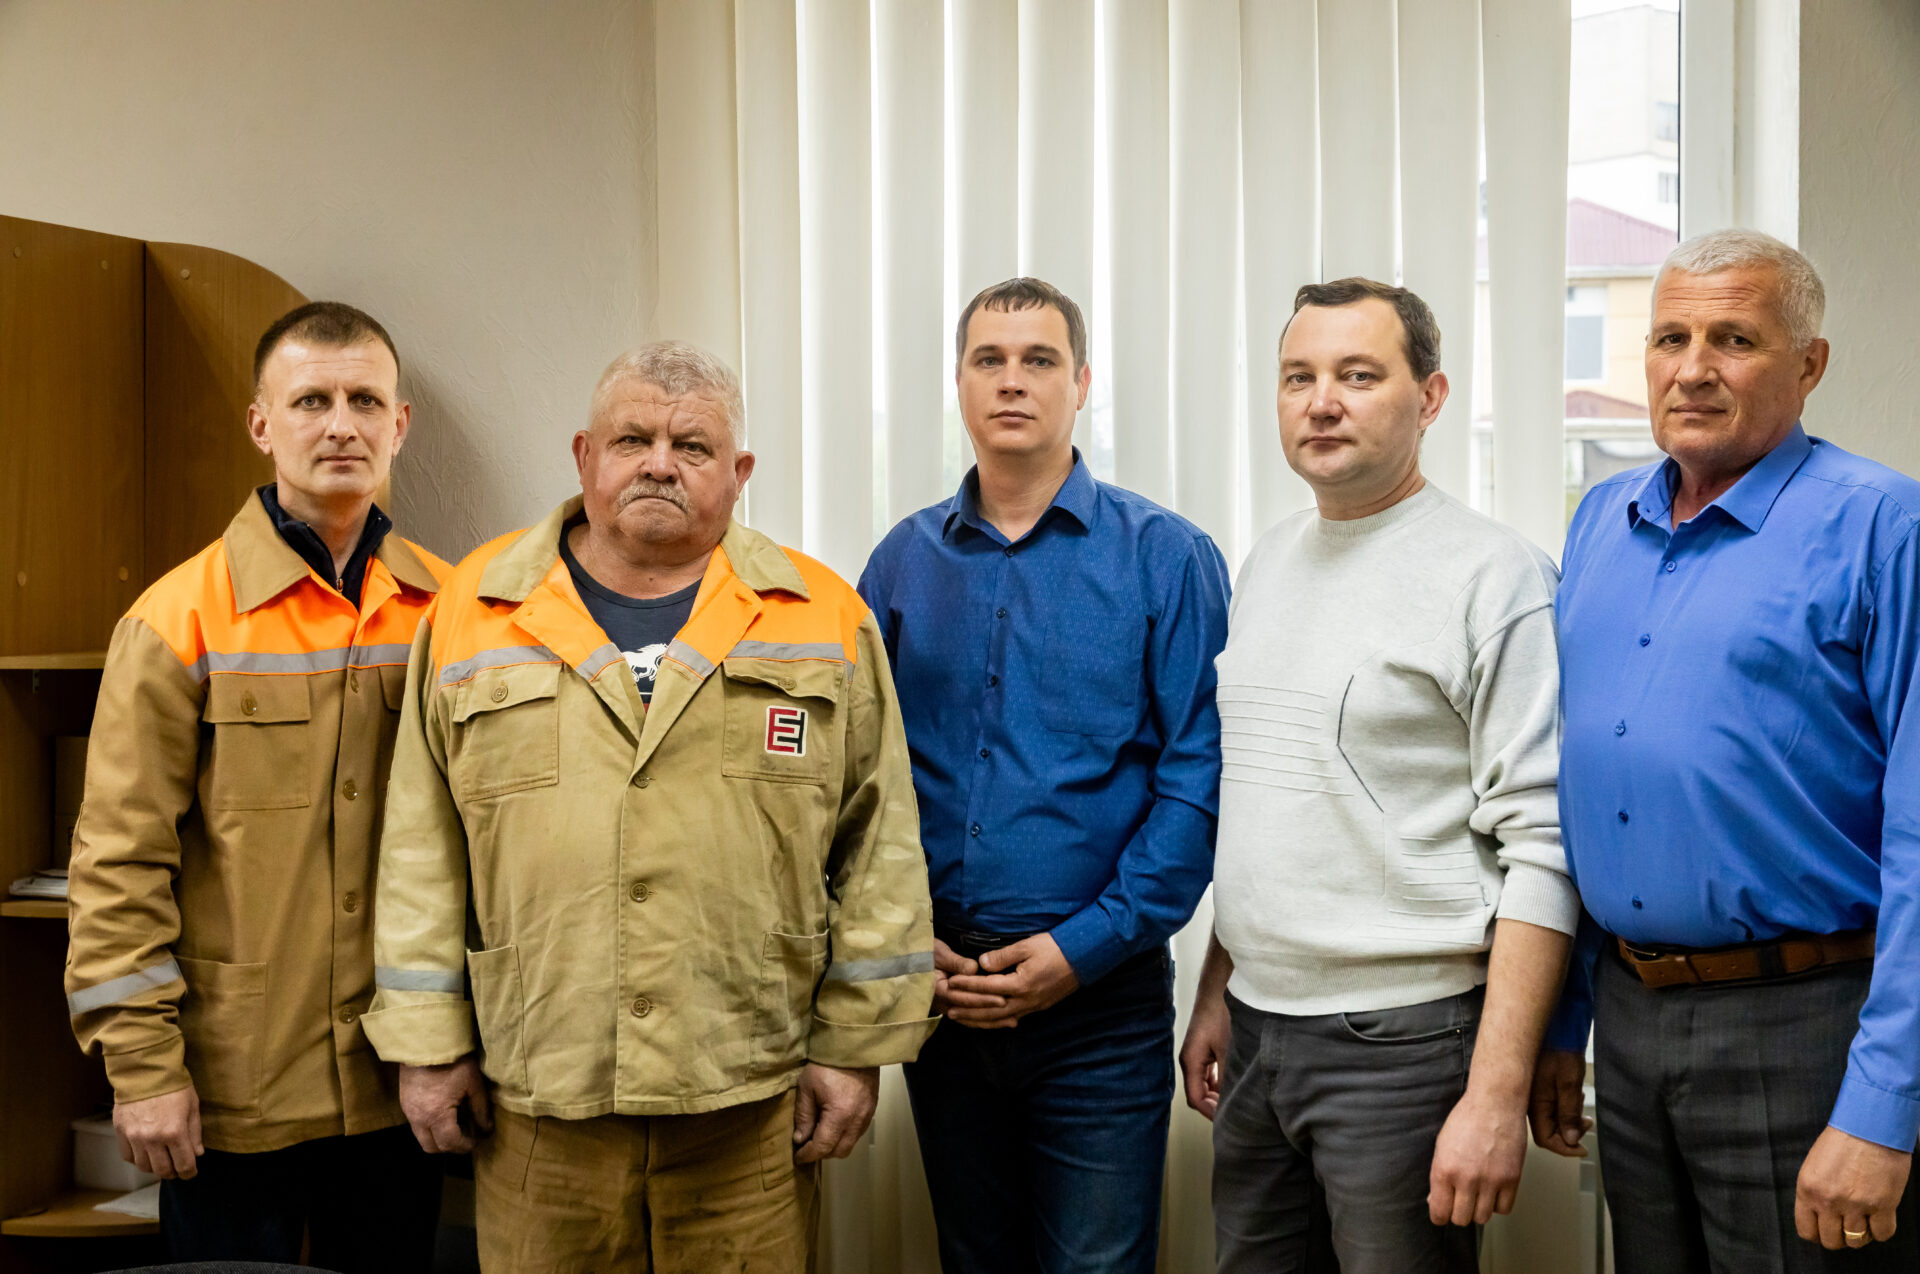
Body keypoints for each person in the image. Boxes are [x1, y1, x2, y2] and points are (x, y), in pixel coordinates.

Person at [362, 339, 936, 1272]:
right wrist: (426, 1046)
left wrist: (853, 1048)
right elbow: (420, 850)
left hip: (748, 1102)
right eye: (632, 439)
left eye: (692, 446)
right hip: (539, 1099)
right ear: (585, 456)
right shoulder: (472, 612)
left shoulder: (822, 617)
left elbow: (880, 850)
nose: (660, 464)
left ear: (739, 474)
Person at [1532, 229, 1920, 1270]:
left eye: (1735, 339)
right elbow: (1586, 792)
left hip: (1809, 1025)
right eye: (1671, 337)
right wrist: (1566, 1021)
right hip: (1630, 1017)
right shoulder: (1600, 522)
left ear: (1810, 364)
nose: (1693, 368)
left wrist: (1884, 1107)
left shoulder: (1886, 527)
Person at [1180, 278, 1578, 1273]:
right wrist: (1220, 984)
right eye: (1298, 377)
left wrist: (1495, 1092)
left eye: (1358, 376)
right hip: (1260, 1030)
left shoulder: (1495, 576)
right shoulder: (1270, 560)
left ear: (1430, 397)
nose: (1322, 402)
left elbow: (1545, 846)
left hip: (1404, 1046)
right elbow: (1272, 798)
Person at [858, 277, 1231, 1273]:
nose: (1012, 380)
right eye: (989, 359)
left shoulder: (1167, 559)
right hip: (943, 996)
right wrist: (908, 940)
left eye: (1039, 360)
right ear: (959, 382)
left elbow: (1197, 782)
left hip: (1098, 1007)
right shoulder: (899, 565)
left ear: (1082, 383)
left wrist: (1080, 949)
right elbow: (862, 780)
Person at [65, 301, 449, 1267]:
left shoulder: (454, 614)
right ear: (262, 424)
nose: (341, 425)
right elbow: (118, 865)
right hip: (233, 1087)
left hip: (403, 1079)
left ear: (400, 425)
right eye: (311, 400)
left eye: (366, 400)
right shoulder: (177, 619)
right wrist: (142, 1069)